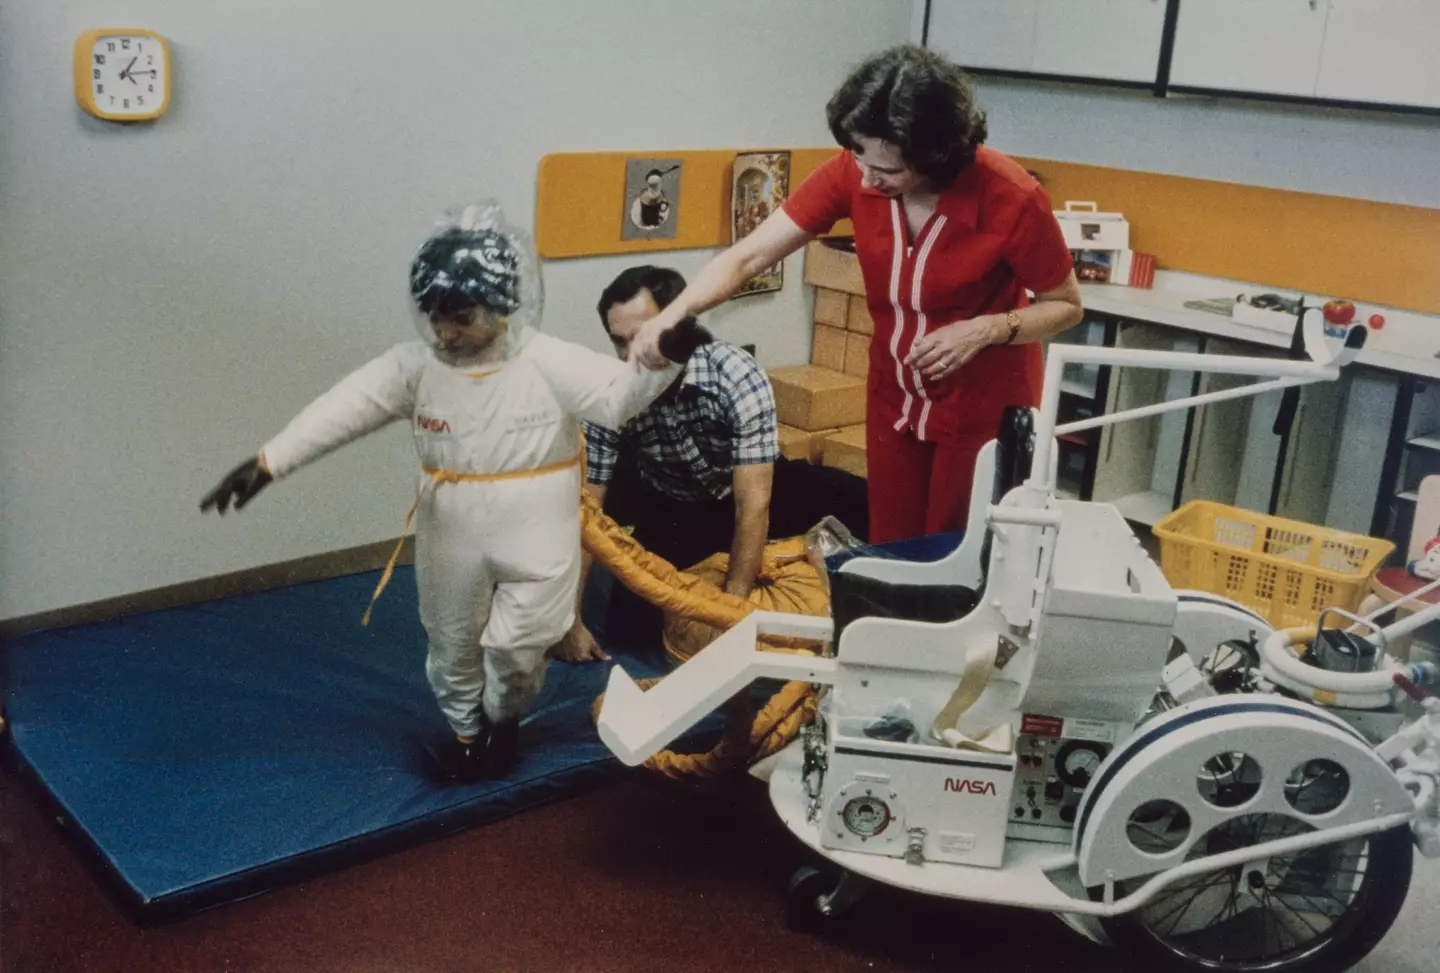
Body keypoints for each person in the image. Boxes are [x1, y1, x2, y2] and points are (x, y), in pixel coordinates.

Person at [199, 202, 706, 783]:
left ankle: (503, 715)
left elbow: (617, 399)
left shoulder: (544, 359)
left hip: (537, 522)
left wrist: (664, 356)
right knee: (452, 640)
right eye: (436, 316)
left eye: (461, 316)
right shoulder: (417, 367)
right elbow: (344, 409)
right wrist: (268, 462)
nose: (447, 331)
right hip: (451, 524)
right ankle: (469, 733)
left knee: (524, 641)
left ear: (500, 304)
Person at [626, 45, 1084, 543]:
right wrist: (674, 311)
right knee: (893, 543)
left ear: (935, 155)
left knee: (959, 553)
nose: (865, 177)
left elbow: (1066, 304)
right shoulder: (856, 170)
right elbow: (750, 256)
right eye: (859, 156)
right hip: (897, 395)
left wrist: (989, 328)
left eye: (886, 170)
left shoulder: (1012, 198)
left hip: (983, 408)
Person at [552, 265, 868, 663]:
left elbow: (753, 505)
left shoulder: (734, 374)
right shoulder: (611, 393)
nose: (633, 356)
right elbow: (589, 513)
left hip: (752, 488)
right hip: (676, 507)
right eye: (620, 342)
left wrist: (729, 612)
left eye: (646, 338)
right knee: (631, 626)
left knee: (865, 505)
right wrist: (571, 620)